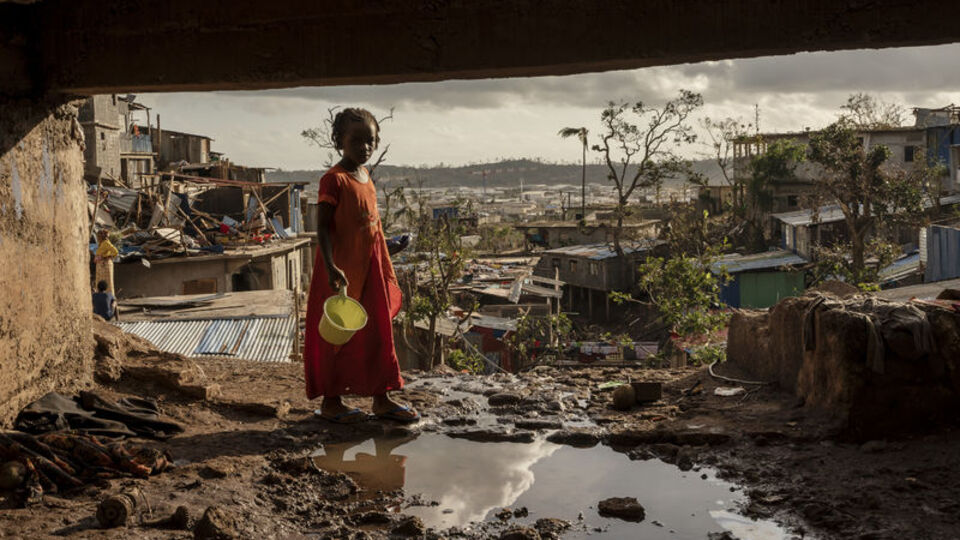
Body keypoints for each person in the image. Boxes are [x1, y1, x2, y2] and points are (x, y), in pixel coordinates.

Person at [303, 108, 419, 424]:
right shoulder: (333, 180)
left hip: (369, 270)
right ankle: (331, 403)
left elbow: (369, 227)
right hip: (340, 274)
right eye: (356, 140)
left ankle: (382, 399)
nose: (365, 147)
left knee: (378, 333)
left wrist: (387, 248)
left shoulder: (366, 177)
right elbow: (322, 228)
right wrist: (330, 267)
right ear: (339, 140)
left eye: (370, 141)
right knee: (336, 339)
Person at [94, 229, 118, 295]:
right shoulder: (101, 243)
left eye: (98, 236)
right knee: (100, 282)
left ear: (101, 236)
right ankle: (101, 297)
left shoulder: (106, 243)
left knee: (106, 282)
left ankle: (108, 297)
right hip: (101, 266)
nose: (97, 238)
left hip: (105, 266)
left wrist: (105, 257)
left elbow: (115, 251)